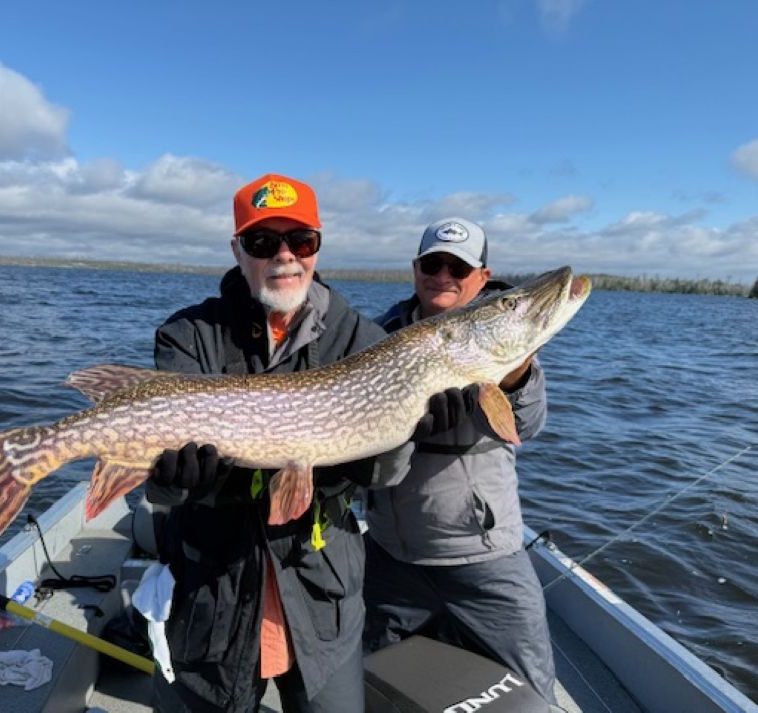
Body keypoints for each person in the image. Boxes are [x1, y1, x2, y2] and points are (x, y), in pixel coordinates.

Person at [144, 173, 419, 713]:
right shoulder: (189, 334)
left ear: (318, 246)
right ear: (238, 251)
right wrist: (171, 480)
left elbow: (387, 473)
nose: (285, 257)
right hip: (212, 597)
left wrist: (408, 429)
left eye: (301, 241)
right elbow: (159, 478)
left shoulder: (362, 339)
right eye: (263, 242)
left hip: (321, 596)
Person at [362, 217, 558, 705]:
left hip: (485, 558)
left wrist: (514, 379)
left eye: (459, 266)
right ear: (416, 269)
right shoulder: (376, 337)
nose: (444, 274)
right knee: (365, 677)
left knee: (533, 689)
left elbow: (527, 425)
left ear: (483, 277)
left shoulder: (502, 341)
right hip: (392, 555)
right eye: (434, 263)